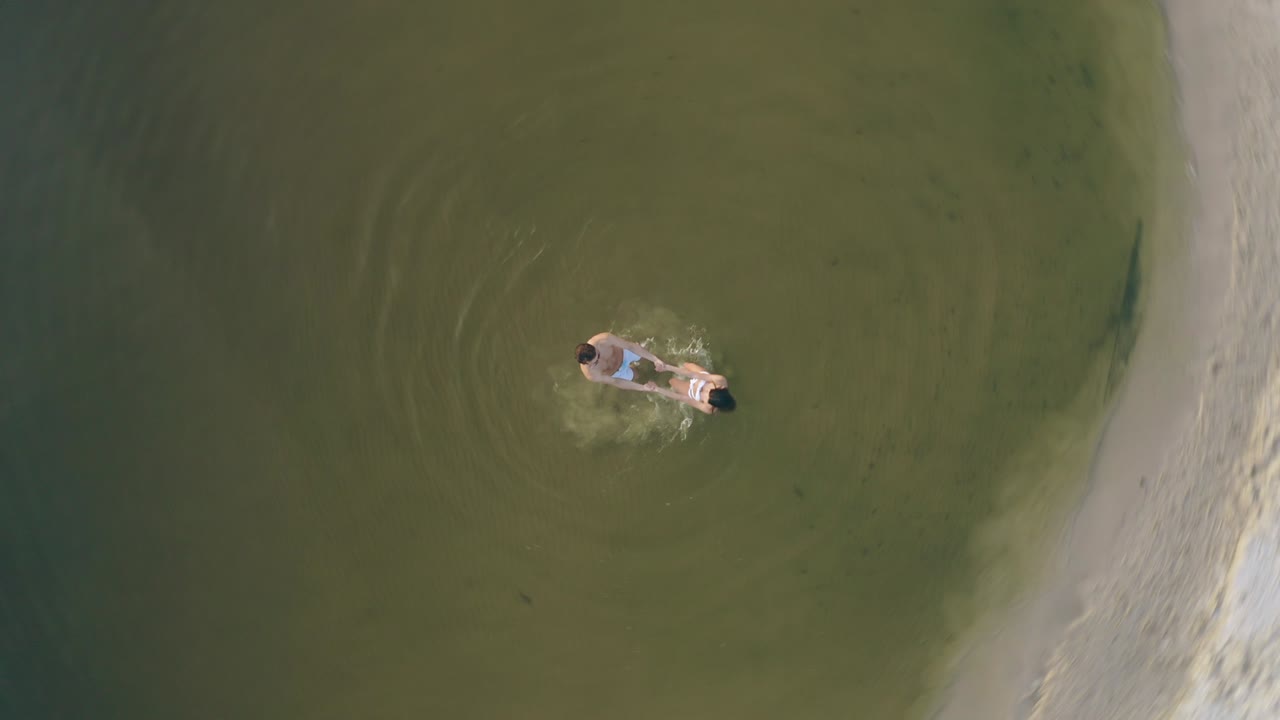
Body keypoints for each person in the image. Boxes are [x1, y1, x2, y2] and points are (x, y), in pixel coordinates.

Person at [575, 332, 667, 393]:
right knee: (637, 376)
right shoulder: (591, 375)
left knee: (649, 355)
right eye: (596, 362)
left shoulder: (603, 339)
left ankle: (662, 362)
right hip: (617, 372)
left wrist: (655, 359)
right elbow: (616, 381)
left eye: (598, 354)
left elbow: (630, 346)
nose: (600, 359)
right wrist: (642, 388)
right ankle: (636, 372)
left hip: (624, 353)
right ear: (587, 363)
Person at [646, 361, 735, 414]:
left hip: (692, 391)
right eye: (711, 390)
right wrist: (667, 367)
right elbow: (693, 374)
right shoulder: (720, 380)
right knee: (687, 364)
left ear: (714, 406)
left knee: (671, 381)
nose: (706, 392)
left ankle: (654, 373)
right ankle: (665, 363)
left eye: (707, 397)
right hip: (701, 377)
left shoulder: (708, 408)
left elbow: (683, 398)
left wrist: (657, 389)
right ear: (721, 388)